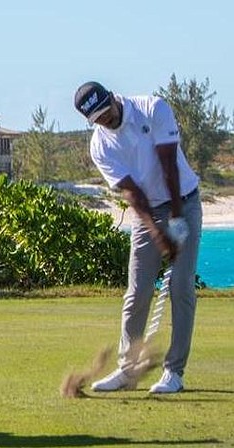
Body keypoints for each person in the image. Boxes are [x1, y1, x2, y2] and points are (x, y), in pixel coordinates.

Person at [74, 81, 202, 394]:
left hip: (183, 200)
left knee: (180, 286)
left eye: (105, 112)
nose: (104, 120)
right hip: (146, 211)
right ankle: (127, 370)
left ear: (113, 99)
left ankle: (174, 372)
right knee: (137, 291)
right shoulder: (99, 145)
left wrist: (175, 220)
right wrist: (159, 234)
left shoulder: (153, 108)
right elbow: (133, 194)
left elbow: (169, 165)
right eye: (97, 119)